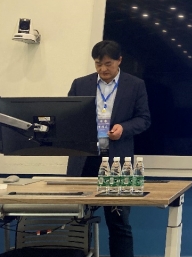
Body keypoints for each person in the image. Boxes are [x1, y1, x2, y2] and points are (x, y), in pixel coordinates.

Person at [67, 40, 151, 257]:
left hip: (118, 162)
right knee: (78, 221)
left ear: (119, 60)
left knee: (119, 223)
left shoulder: (135, 85)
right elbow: (67, 116)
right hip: (84, 160)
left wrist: (124, 128)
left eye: (108, 64)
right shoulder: (80, 84)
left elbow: (144, 119)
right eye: (98, 64)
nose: (103, 69)